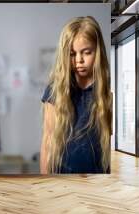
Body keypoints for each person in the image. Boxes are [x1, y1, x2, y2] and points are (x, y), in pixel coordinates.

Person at [40, 16, 112, 174]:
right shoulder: (54, 90)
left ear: (98, 51)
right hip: (62, 178)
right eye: (72, 54)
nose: (79, 60)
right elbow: (48, 141)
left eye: (87, 52)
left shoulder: (108, 90)